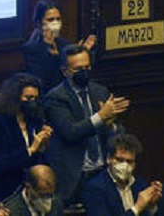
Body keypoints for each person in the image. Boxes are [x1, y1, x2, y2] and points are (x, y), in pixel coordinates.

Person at [43, 44, 129, 205]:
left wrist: (111, 126)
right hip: (76, 176)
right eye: (78, 69)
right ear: (65, 71)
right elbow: (70, 132)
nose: (84, 72)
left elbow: (118, 132)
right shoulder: (56, 98)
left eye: (87, 67)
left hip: (103, 171)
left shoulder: (100, 91)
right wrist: (100, 117)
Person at [0, 73, 53, 202]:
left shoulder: (35, 120)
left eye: (35, 98)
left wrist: (43, 147)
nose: (32, 102)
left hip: (32, 187)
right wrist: (31, 150)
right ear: (14, 98)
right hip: (7, 187)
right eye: (28, 97)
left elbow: (39, 160)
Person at [22, 0, 97, 93]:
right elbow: (42, 81)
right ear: (39, 22)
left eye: (58, 19)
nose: (55, 23)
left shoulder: (65, 44)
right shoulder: (31, 49)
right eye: (50, 20)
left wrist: (81, 53)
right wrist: (52, 52)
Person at [83, 133, 162, 216]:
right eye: (120, 160)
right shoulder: (95, 188)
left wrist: (151, 205)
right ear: (109, 159)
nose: (125, 165)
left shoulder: (139, 184)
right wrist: (137, 208)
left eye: (129, 161)